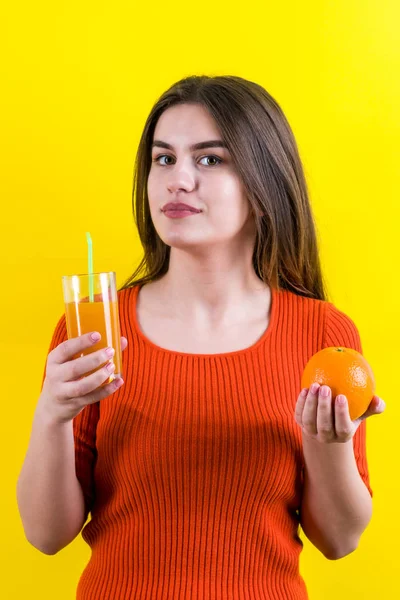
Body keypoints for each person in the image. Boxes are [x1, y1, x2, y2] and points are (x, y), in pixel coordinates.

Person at [17, 75, 385, 600]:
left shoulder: (324, 333)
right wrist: (52, 414)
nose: (177, 179)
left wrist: (332, 447)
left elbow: (340, 540)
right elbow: (45, 535)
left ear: (264, 186)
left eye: (209, 159)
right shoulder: (93, 327)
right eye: (163, 159)